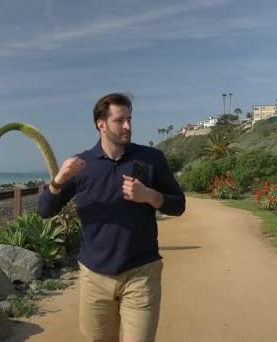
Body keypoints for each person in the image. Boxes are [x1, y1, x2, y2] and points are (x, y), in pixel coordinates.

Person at [37, 93, 186, 342]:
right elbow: (45, 211)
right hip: (95, 277)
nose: (127, 126)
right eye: (120, 120)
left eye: (129, 119)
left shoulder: (151, 159)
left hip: (141, 273)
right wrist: (58, 181)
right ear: (101, 124)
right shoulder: (81, 165)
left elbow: (179, 205)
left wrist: (149, 195)